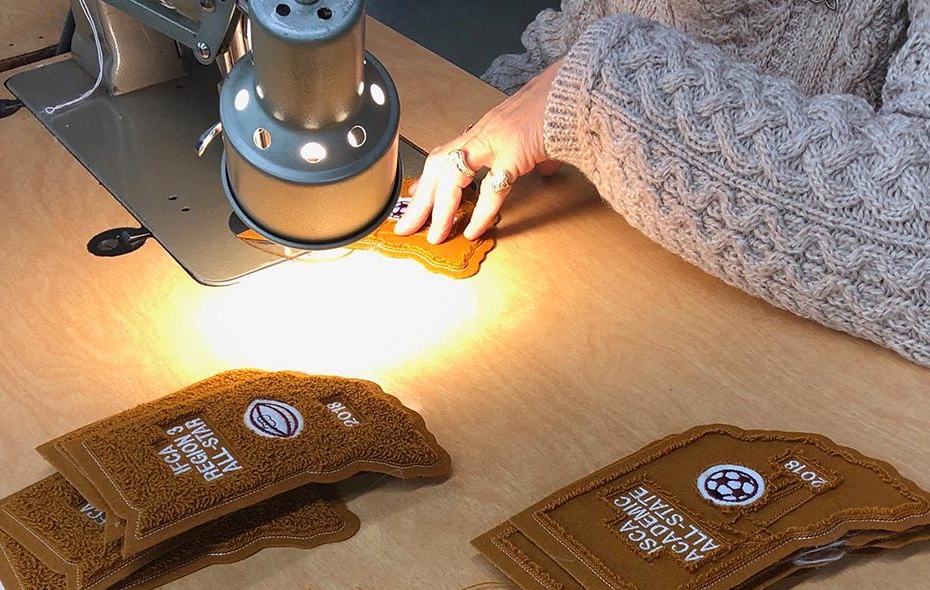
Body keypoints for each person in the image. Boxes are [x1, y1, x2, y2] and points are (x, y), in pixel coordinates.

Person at [393, 0, 930, 367]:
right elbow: (564, 52)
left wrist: (595, 89)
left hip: (810, 379)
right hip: (624, 317)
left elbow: (914, 228)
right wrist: (503, 114)